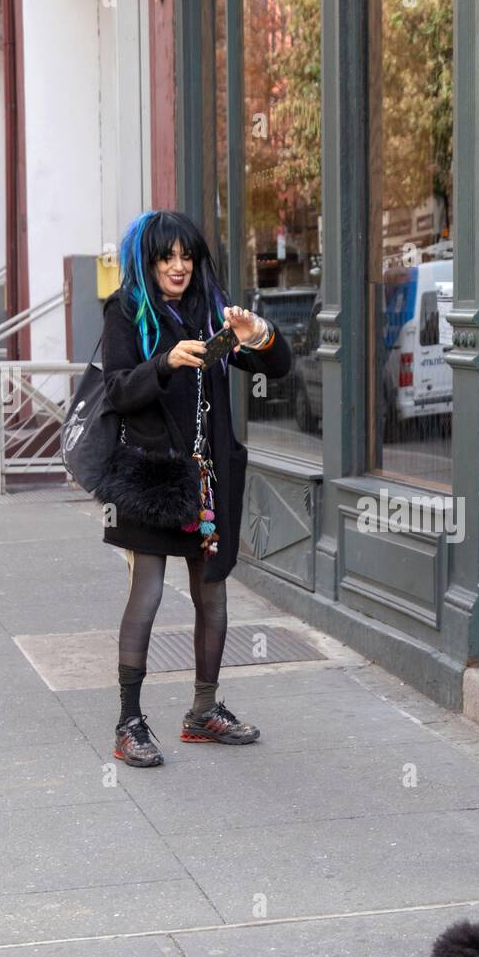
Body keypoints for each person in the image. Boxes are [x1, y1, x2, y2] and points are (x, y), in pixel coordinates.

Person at [101, 209, 291, 767]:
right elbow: (116, 389)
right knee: (150, 591)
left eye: (186, 256)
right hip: (153, 476)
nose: (178, 267)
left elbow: (277, 367)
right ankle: (129, 721)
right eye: (167, 257)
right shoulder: (127, 311)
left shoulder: (213, 310)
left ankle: (203, 712)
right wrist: (163, 362)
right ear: (148, 261)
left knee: (213, 590)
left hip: (211, 475)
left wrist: (260, 335)